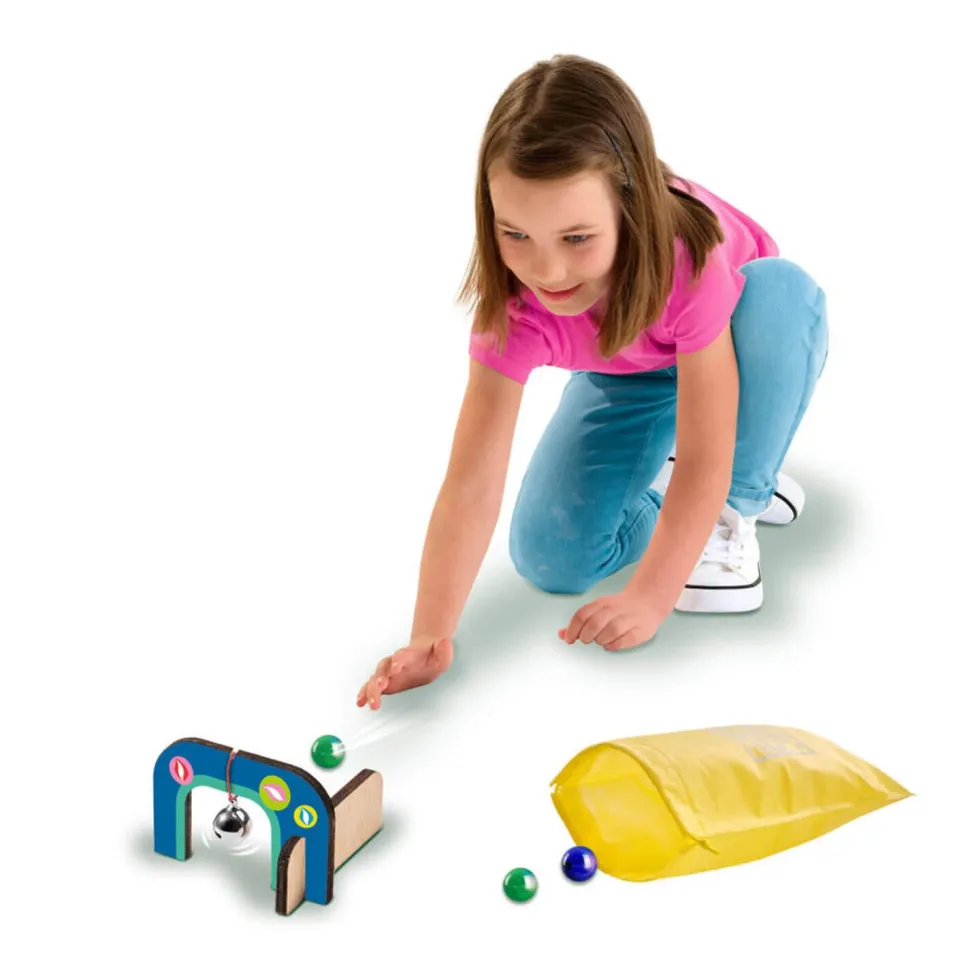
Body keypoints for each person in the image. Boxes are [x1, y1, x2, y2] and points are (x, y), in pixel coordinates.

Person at [357, 54, 828, 711]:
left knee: (782, 293)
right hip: (632, 371)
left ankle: (741, 494)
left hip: (737, 342)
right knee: (551, 559)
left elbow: (704, 453)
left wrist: (651, 596)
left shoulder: (689, 262)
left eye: (577, 237)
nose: (547, 270)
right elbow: (470, 485)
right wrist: (430, 633)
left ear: (631, 208)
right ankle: (678, 495)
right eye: (516, 233)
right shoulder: (512, 311)